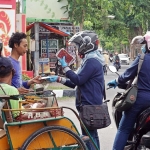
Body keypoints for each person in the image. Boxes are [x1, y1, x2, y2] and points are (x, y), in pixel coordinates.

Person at [45, 30, 105, 150]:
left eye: (78, 46)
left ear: (86, 45)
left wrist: (65, 67)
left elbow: (78, 80)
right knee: (92, 136)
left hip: (90, 107)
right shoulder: (88, 60)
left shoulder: (92, 61)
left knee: (89, 137)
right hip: (88, 105)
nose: (77, 49)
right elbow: (74, 83)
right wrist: (59, 79)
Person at [107, 33, 150, 150]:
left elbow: (127, 75)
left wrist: (115, 81)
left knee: (124, 129)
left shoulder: (142, 58)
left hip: (140, 100)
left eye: (144, 44)